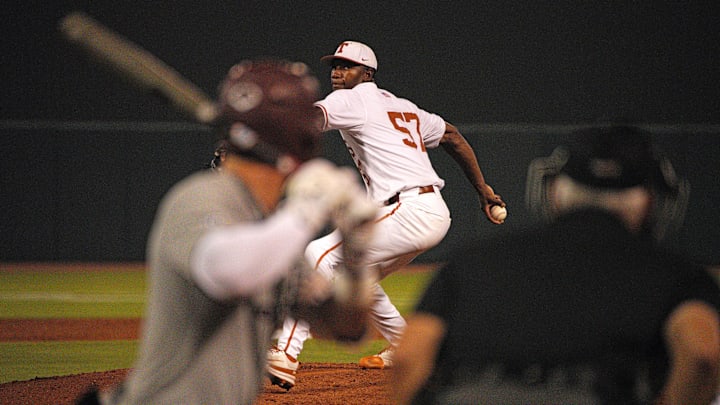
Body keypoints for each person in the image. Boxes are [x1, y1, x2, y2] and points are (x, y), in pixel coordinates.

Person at [76, 59, 378, 405]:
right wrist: (305, 212)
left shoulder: (270, 229)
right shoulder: (201, 198)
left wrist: (355, 256)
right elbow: (229, 270)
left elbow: (345, 326)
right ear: (306, 139)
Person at [391, 125, 720, 404]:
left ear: (555, 193)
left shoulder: (471, 260)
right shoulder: (676, 273)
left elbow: (407, 359)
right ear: (651, 201)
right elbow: (703, 355)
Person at [267, 40, 506, 390]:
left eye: (346, 66)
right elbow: (453, 136)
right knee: (358, 277)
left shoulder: (351, 98)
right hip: (431, 211)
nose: (337, 72)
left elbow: (310, 120)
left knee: (315, 255)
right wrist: (482, 190)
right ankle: (407, 347)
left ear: (367, 73)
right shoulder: (404, 107)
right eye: (334, 65)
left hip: (405, 208)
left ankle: (285, 354)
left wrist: (261, 133)